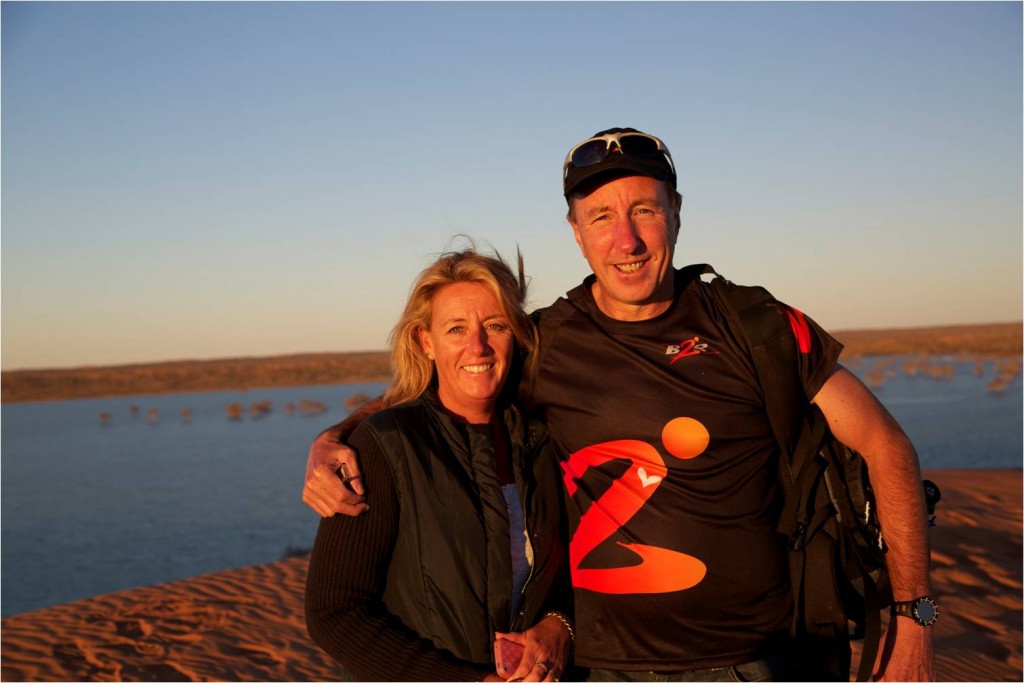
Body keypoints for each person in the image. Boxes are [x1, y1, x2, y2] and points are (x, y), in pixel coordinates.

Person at [304, 128, 935, 682]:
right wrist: (337, 435)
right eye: (601, 215)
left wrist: (915, 622)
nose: (625, 239)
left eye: (644, 210)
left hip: (759, 662)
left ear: (677, 214)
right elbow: (452, 381)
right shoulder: (547, 341)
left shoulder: (756, 324)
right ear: (576, 233)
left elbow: (886, 446)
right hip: (604, 671)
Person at [304, 248, 573, 682]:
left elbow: (568, 574)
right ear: (426, 342)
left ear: (517, 335)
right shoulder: (383, 446)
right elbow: (333, 612)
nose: (478, 346)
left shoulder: (541, 443)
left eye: (495, 326)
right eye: (456, 329)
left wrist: (560, 625)